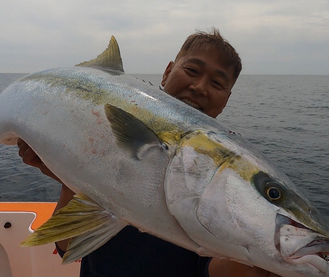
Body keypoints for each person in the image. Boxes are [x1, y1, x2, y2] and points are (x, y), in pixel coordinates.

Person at [18, 29, 279, 277]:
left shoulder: (222, 173)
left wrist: (260, 263)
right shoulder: (108, 132)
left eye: (217, 83)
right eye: (191, 70)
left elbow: (211, 269)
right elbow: (66, 246)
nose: (200, 86)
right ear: (166, 72)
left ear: (226, 99)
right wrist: (70, 181)